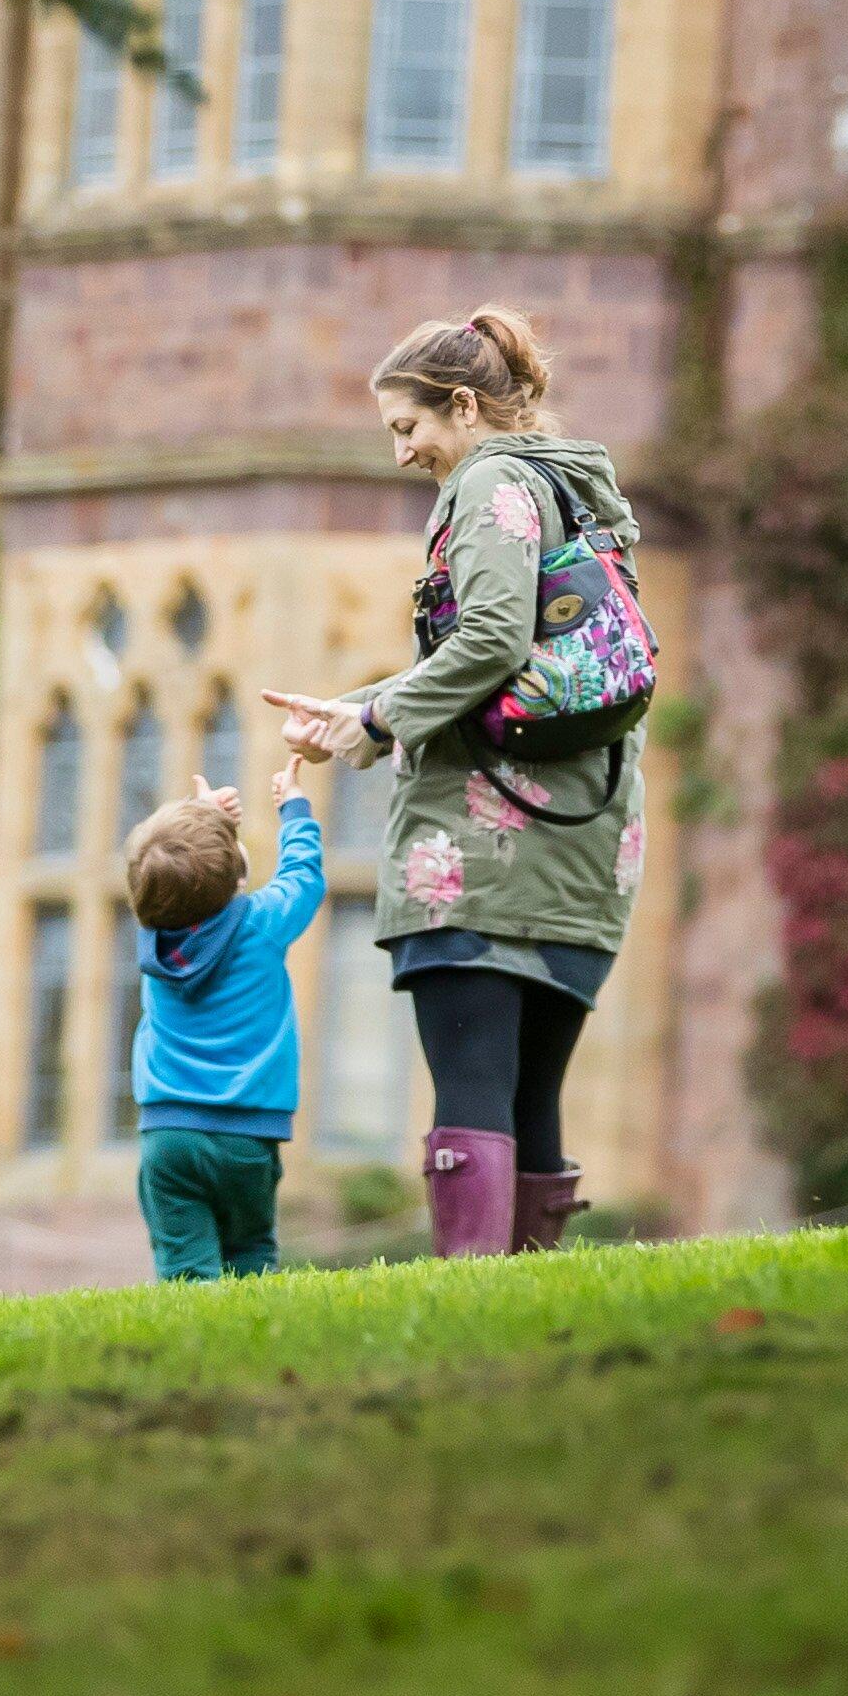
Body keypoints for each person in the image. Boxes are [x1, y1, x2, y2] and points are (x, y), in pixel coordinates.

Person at [266, 306, 649, 1260]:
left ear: (466, 408)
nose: (403, 455)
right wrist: (355, 714)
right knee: (532, 1095)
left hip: (483, 849)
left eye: (409, 427)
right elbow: (529, 657)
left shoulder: (487, 484)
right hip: (583, 841)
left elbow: (487, 641)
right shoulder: (579, 495)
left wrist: (373, 717)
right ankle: (528, 1297)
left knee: (474, 1082)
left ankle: (467, 1291)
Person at [121, 705, 340, 1281]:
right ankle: (252, 1352)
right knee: (251, 1256)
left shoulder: (152, 936)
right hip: (249, 1135)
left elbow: (182, 881)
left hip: (169, 1136)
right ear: (238, 878)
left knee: (186, 1268)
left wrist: (205, 820)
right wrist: (293, 807)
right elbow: (302, 878)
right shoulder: (260, 925)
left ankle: (190, 1352)